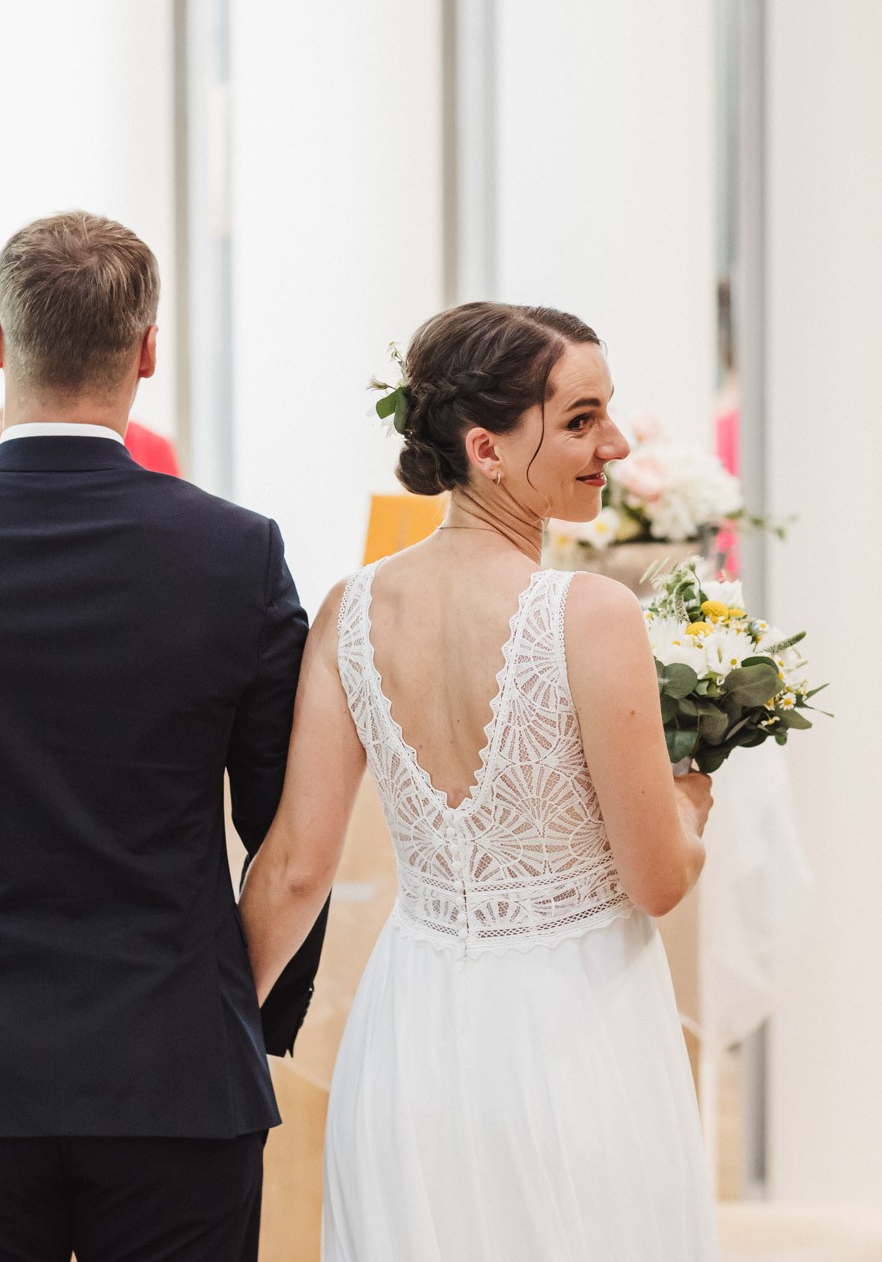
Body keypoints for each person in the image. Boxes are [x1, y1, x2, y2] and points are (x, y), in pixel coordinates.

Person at [0, 210, 324, 1261]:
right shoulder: (237, 556)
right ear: (147, 350)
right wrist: (228, 1008)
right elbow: (286, 834)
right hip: (179, 1071)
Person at [239, 301, 721, 1261]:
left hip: (410, 1037)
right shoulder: (593, 615)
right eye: (580, 420)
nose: (616, 443)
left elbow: (295, 865)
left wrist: (215, 1032)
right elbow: (658, 880)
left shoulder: (349, 608)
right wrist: (691, 795)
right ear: (485, 449)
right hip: (576, 1037)